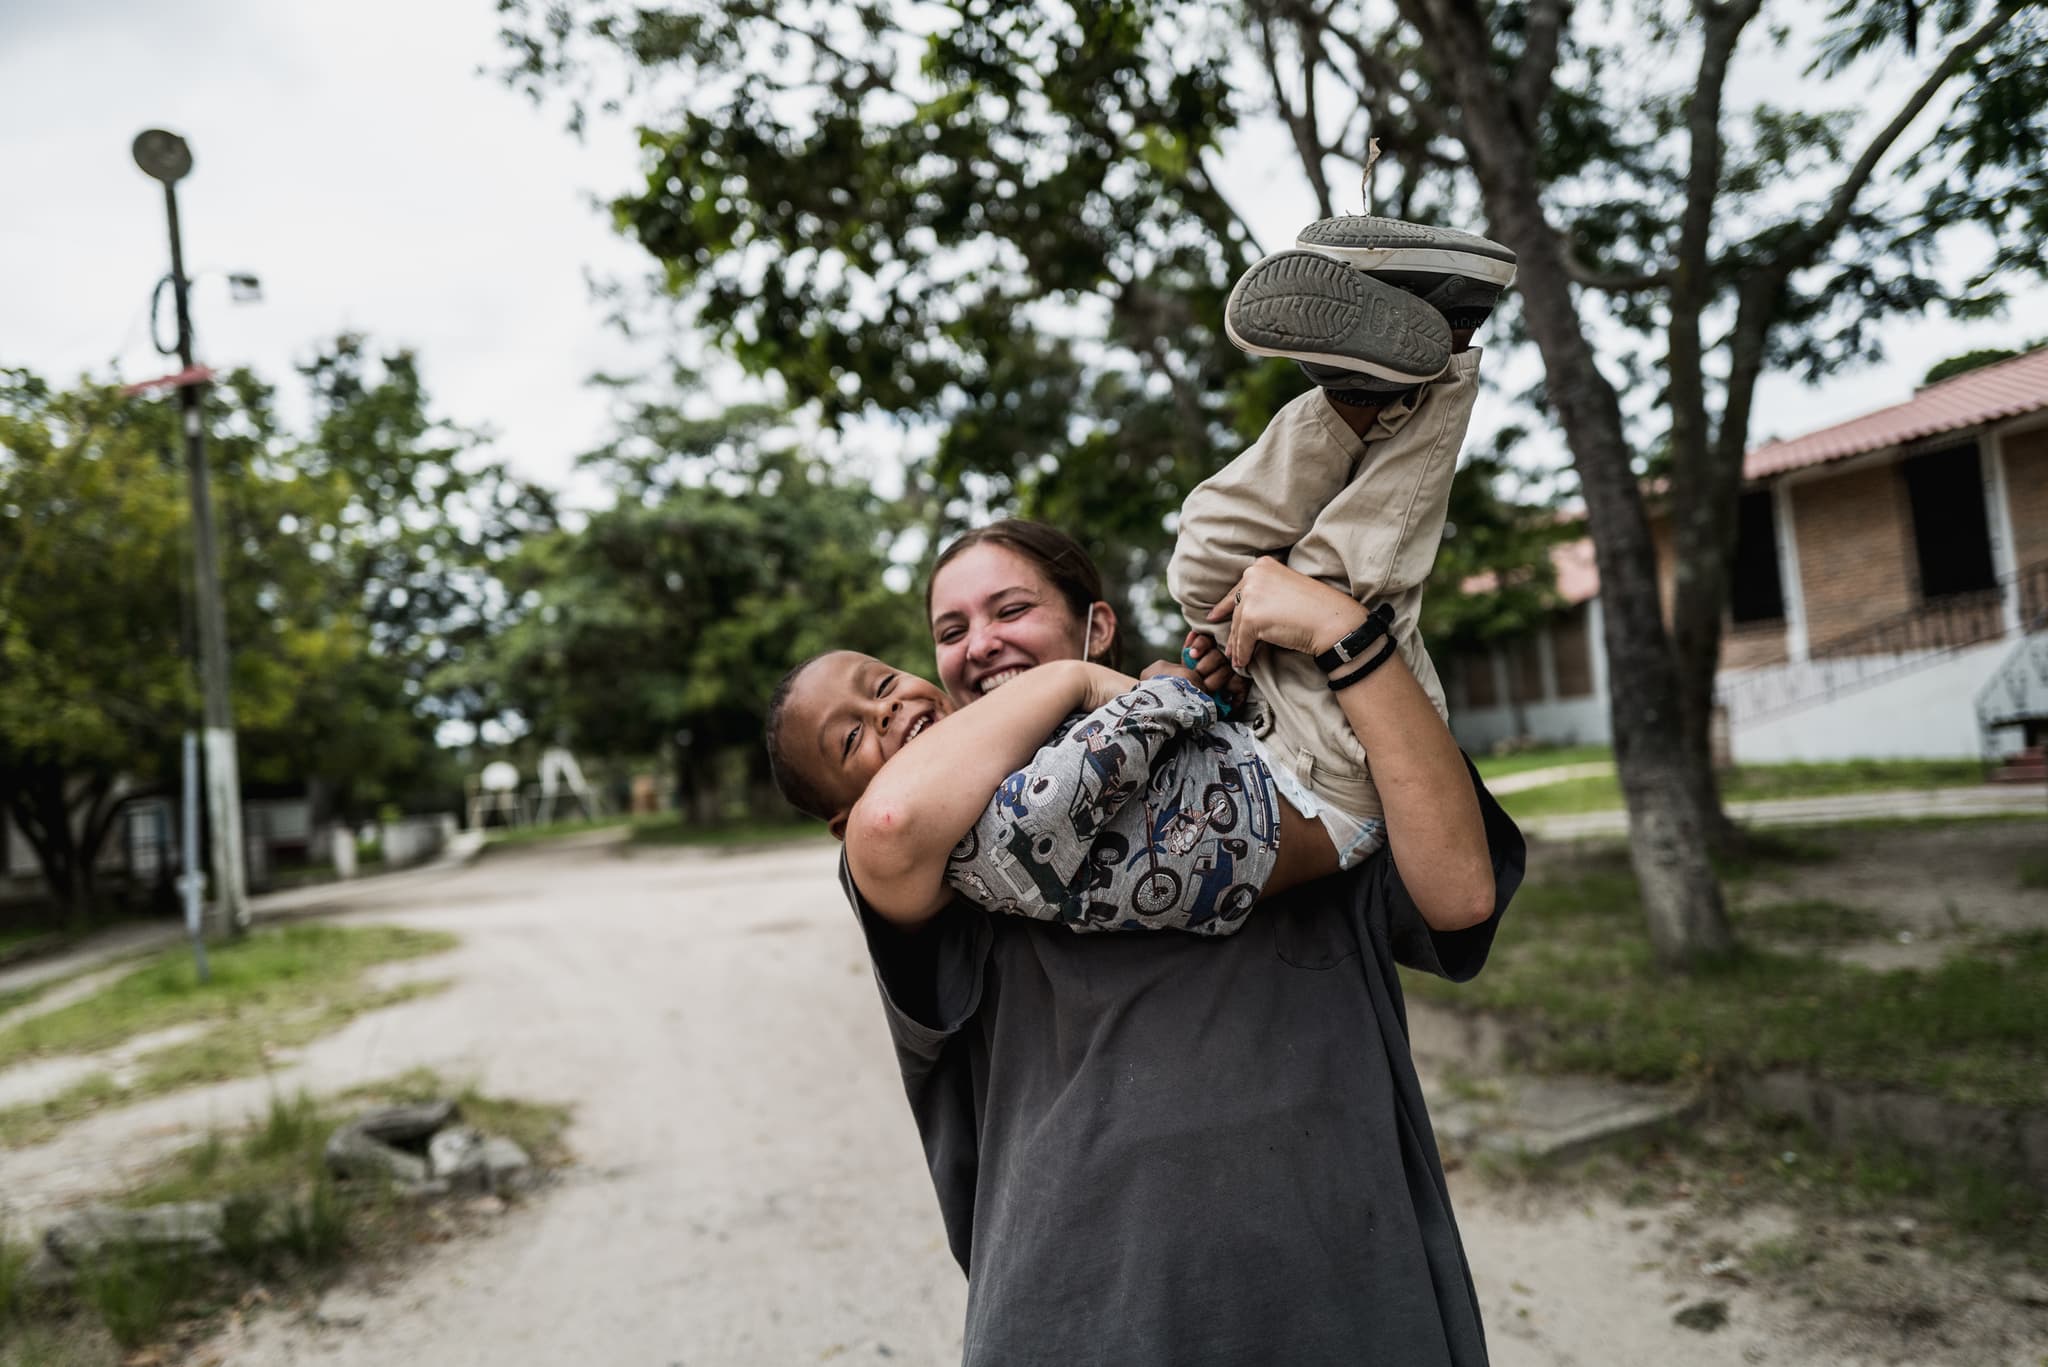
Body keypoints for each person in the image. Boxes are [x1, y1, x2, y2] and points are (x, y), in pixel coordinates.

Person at [780, 219, 1528, 1365]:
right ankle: (1422, 370)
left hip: (1345, 1282)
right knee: (1312, 574)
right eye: (945, 632)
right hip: (1086, 1313)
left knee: (1277, 567)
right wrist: (1096, 684)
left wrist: (1334, 637)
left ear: (1093, 620)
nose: (976, 644)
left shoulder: (1250, 716)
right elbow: (886, 818)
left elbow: (1459, 889)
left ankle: (1378, 383)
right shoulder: (949, 836)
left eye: (1009, 610)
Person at [768, 225, 1516, 940]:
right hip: (1320, 781)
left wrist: (1211, 692)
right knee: (1328, 575)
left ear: (1099, 627)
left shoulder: (1041, 745)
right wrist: (1116, 686)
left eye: (881, 683)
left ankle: (1359, 392)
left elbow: (1170, 736)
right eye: (855, 734)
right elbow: (907, 818)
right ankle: (1450, 340)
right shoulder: (975, 841)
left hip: (1271, 745)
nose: (890, 708)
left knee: (1201, 553)